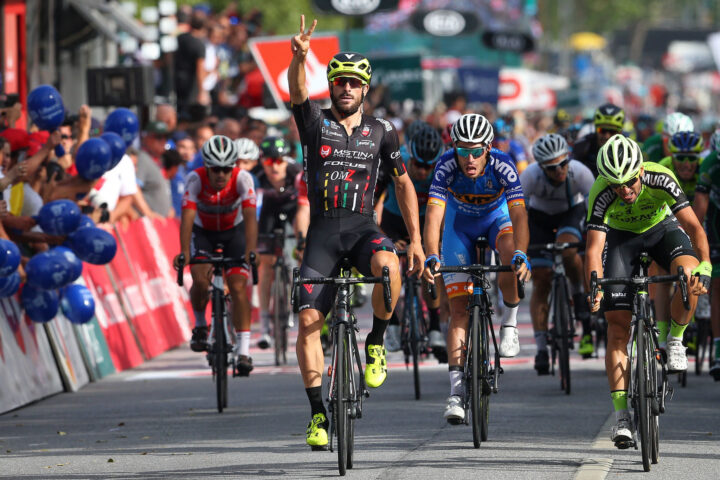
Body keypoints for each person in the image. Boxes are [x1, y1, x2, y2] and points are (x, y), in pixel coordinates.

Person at [288, 15, 424, 450]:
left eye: (354, 83)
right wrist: (299, 58)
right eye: (340, 82)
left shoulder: (382, 131)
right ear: (332, 86)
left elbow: (403, 184)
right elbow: (297, 91)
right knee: (308, 321)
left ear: (366, 89)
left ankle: (377, 341)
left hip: (364, 229)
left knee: (389, 267)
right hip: (323, 234)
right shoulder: (314, 122)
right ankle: (317, 414)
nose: (346, 88)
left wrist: (417, 241)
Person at [585, 134, 710, 447]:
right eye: (616, 185)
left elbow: (693, 227)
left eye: (629, 181)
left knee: (689, 275)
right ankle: (622, 417)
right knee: (617, 327)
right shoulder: (601, 193)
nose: (624, 190)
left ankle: (676, 339)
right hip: (621, 240)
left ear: (640, 171)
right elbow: (594, 248)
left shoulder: (660, 178)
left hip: (661, 231)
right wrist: (594, 285)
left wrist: (706, 264)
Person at [421, 113, 531, 424]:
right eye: (462, 150)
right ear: (453, 148)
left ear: (488, 148)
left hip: (497, 220)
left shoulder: (503, 164)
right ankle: (456, 393)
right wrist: (431, 254)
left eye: (476, 151)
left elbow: (519, 215)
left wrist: (522, 253)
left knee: (510, 255)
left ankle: (509, 323)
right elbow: (434, 216)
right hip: (460, 227)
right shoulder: (445, 166)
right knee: (458, 309)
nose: (469, 159)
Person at [173, 135, 258, 376]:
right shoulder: (195, 179)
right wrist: (184, 252)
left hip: (234, 233)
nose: (221, 175)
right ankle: (201, 325)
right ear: (206, 167)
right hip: (203, 234)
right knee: (200, 280)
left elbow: (250, 218)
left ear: (233, 167)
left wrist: (251, 250)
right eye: (215, 169)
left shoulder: (243, 178)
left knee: (238, 287)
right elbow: (187, 218)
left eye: (226, 169)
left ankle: (243, 352)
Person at [521, 133, 595, 374]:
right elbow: (518, 212)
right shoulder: (529, 176)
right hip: (539, 219)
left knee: (568, 249)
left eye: (564, 163)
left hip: (570, 214)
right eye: (552, 168)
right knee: (541, 278)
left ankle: (578, 292)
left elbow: (595, 209)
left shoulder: (580, 172)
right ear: (542, 167)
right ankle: (541, 348)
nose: (560, 170)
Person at [374, 122, 447, 356]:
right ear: (410, 157)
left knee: (431, 268)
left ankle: (434, 326)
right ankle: (393, 323)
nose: (423, 171)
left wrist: (437, 241)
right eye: (418, 165)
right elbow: (371, 204)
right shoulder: (395, 162)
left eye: (429, 166)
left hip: (426, 221)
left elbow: (446, 210)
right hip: (393, 221)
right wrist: (382, 236)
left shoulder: (442, 169)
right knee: (385, 267)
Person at [652, 131, 705, 348]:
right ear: (671, 157)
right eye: (680, 158)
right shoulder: (664, 169)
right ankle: (662, 332)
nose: (686, 163)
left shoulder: (704, 170)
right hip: (668, 219)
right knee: (664, 274)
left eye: (691, 158)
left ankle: (696, 317)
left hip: (696, 220)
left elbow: (704, 210)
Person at [255, 136, 303, 349]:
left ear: (287, 160)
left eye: (279, 161)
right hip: (268, 210)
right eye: (269, 161)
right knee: (266, 265)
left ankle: (296, 298)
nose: (274, 167)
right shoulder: (256, 176)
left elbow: (306, 208)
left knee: (301, 250)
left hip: (293, 209)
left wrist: (302, 239)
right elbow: (252, 212)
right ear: (262, 161)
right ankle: (265, 325)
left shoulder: (297, 173)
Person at [693, 129, 720, 378]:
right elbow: (699, 210)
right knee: (718, 285)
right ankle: (718, 347)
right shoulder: (710, 164)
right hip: (716, 224)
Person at [573, 103, 625, 177]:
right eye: (602, 130)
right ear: (595, 129)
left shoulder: (629, 148)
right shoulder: (582, 145)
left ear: (620, 132)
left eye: (612, 131)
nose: (607, 136)